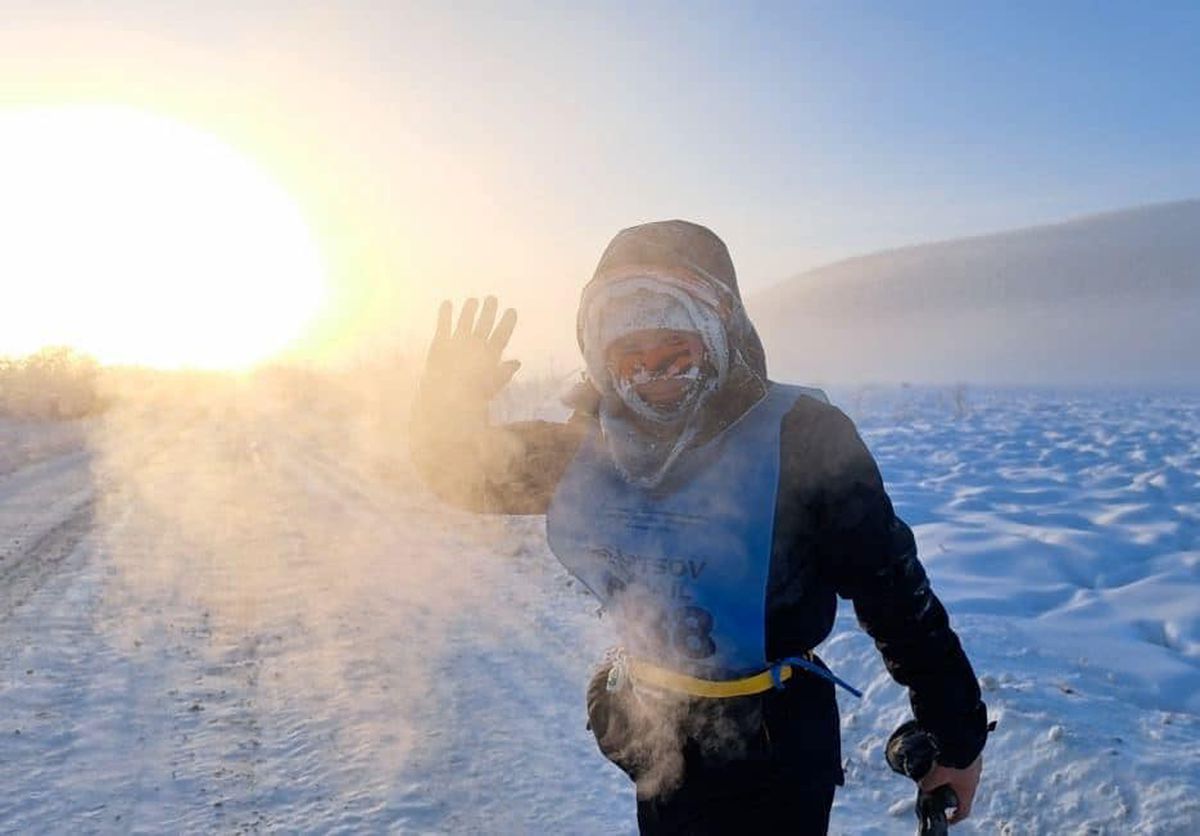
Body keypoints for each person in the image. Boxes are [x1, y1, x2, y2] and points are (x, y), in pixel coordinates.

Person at [410, 220, 987, 834]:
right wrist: (445, 404)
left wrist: (955, 735)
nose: (653, 373)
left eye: (674, 351)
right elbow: (461, 474)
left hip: (778, 744)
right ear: (601, 359)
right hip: (650, 731)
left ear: (721, 336)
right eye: (631, 356)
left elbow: (893, 591)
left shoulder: (800, 438)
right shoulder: (585, 449)